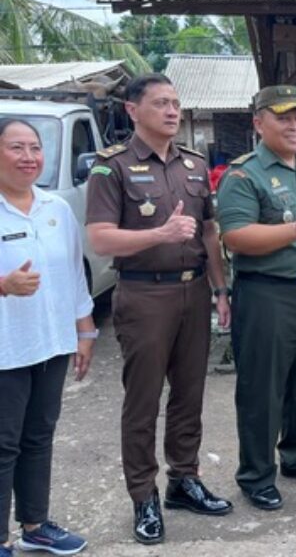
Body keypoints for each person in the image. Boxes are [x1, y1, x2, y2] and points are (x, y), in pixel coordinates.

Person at [85, 74, 233, 545]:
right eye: (160, 104)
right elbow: (100, 237)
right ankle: (143, 495)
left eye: (175, 103)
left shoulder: (193, 163)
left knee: (189, 394)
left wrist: (220, 288)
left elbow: (208, 231)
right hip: (144, 295)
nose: (172, 111)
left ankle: (183, 479)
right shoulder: (112, 167)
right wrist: (158, 235)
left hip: (193, 292)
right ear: (133, 111)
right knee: (143, 401)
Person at [216, 85, 296, 511]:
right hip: (266, 293)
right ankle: (256, 475)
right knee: (263, 390)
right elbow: (235, 236)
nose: (294, 125)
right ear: (258, 123)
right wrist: (295, 232)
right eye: (283, 117)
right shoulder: (243, 174)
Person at [0, 119, 95, 557]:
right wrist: (3, 285)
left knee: (39, 435)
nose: (28, 157)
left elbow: (75, 274)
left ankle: (35, 525)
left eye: (35, 148)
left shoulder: (56, 208)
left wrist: (85, 329)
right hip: (6, 347)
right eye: (16, 148)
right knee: (3, 443)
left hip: (52, 343)